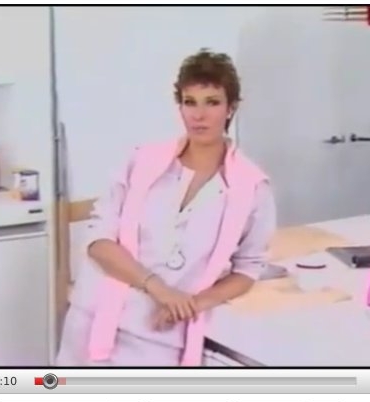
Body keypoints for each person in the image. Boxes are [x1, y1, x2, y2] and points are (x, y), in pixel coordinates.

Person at [56, 48, 277, 366]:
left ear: (231, 108)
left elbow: (247, 269)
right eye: (190, 102)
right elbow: (98, 241)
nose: (199, 115)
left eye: (212, 102)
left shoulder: (251, 186)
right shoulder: (141, 160)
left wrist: (194, 303)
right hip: (94, 320)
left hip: (163, 333)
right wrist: (158, 288)